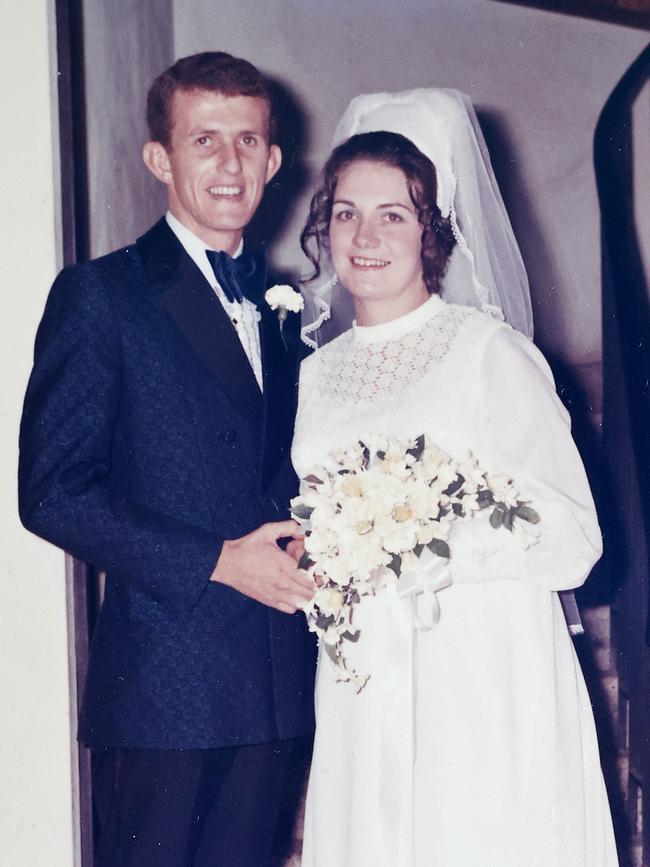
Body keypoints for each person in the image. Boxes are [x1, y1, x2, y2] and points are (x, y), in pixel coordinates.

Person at [292, 89, 618, 866]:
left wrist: (425, 545)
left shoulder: (486, 352)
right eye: (345, 213)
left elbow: (575, 537)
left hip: (476, 666)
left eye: (393, 214)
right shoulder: (316, 373)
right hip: (363, 675)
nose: (364, 236)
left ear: (433, 231)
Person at [19, 51, 316, 867]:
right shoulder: (102, 294)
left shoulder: (288, 306)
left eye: (249, 142)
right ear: (160, 158)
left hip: (275, 687)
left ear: (274, 161)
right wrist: (219, 560)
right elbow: (52, 493)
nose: (230, 163)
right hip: (164, 692)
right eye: (205, 140)